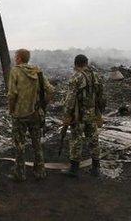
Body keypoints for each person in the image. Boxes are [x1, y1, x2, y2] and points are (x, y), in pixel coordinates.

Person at [6, 49, 54, 181]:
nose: (15, 58)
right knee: (36, 142)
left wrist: (11, 109)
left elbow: (12, 94)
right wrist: (43, 104)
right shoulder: (37, 71)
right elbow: (50, 90)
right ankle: (40, 171)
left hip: (20, 114)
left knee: (20, 144)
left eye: (16, 56)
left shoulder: (15, 71)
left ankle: (20, 174)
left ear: (19, 58)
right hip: (36, 113)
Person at [62, 54, 106, 177]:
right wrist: (99, 113)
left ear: (76, 64)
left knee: (76, 139)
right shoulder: (96, 76)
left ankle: (74, 169)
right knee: (93, 139)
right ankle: (96, 168)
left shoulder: (76, 77)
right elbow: (101, 97)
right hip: (92, 113)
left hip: (79, 115)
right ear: (86, 63)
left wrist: (67, 115)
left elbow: (70, 98)